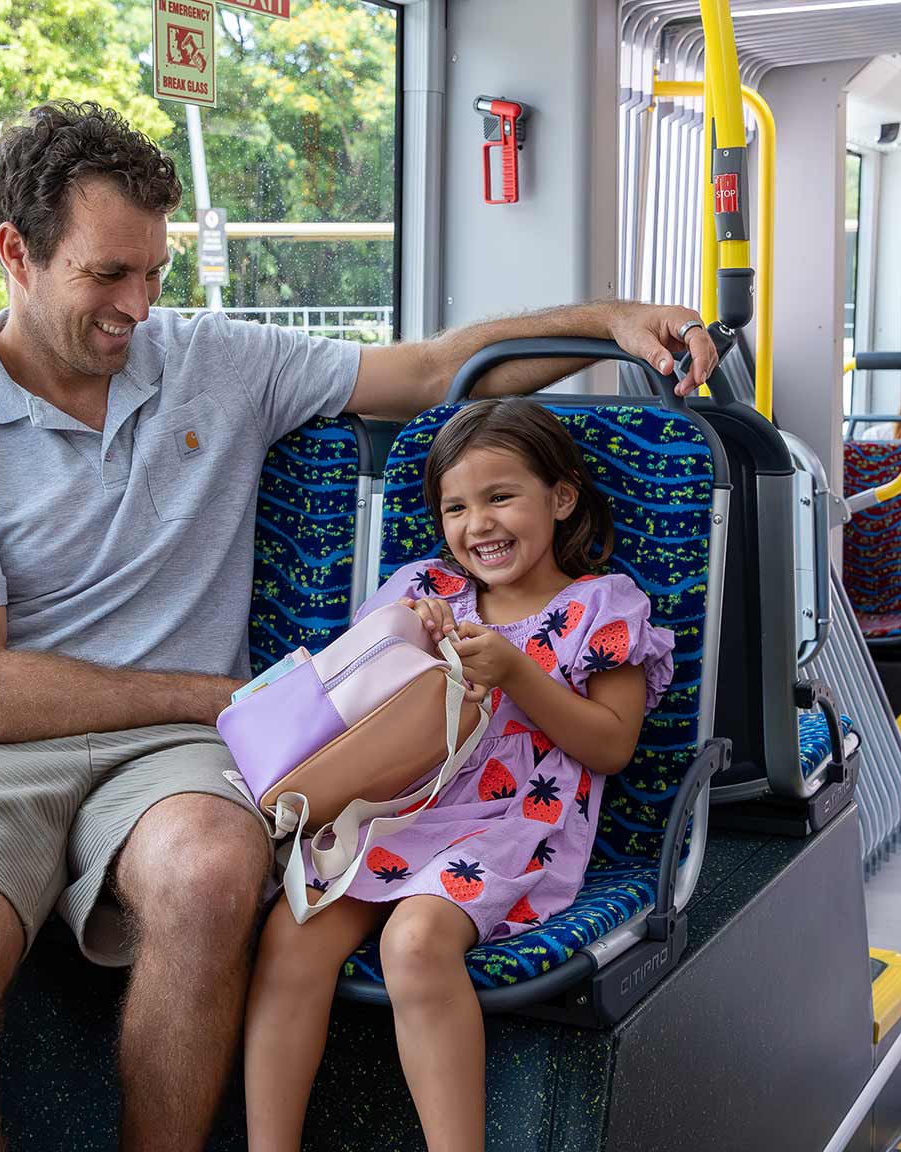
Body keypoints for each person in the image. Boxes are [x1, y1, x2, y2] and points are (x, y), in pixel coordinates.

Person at [0, 101, 717, 1152]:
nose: (137, 305)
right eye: (105, 276)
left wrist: (604, 322)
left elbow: (431, 371)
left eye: (153, 273)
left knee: (214, 877)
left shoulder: (212, 359)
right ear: (15, 253)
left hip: (176, 756)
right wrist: (224, 698)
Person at [243, 399, 676, 1152]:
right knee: (294, 933)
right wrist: (411, 641)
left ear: (560, 497)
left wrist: (516, 673)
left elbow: (611, 747)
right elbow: (354, 695)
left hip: (513, 828)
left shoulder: (603, 608)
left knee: (412, 944)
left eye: (501, 496)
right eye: (456, 506)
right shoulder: (426, 590)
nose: (479, 524)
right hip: (401, 805)